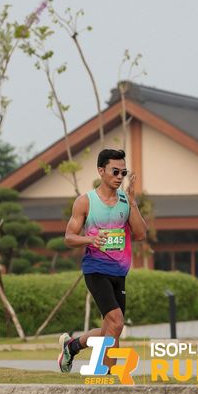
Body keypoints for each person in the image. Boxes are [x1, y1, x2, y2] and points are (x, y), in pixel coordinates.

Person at [57, 148, 147, 373]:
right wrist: (91, 239)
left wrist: (133, 202)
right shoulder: (85, 202)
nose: (119, 177)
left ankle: (72, 346)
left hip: (120, 272)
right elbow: (69, 237)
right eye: (115, 171)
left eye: (123, 173)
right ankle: (107, 374)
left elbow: (140, 234)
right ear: (101, 171)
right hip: (95, 269)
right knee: (116, 322)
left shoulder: (126, 201)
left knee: (111, 329)